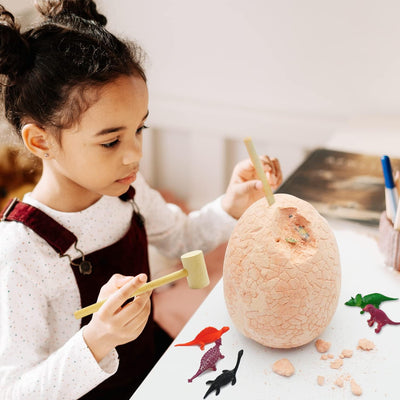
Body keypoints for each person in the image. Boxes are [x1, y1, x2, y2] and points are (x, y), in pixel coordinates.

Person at [0, 1, 282, 399]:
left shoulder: (126, 192)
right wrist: (97, 340)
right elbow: (13, 391)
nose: (134, 154)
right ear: (40, 140)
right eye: (112, 140)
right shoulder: (20, 252)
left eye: (139, 129)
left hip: (150, 372)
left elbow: (182, 240)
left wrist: (231, 205)